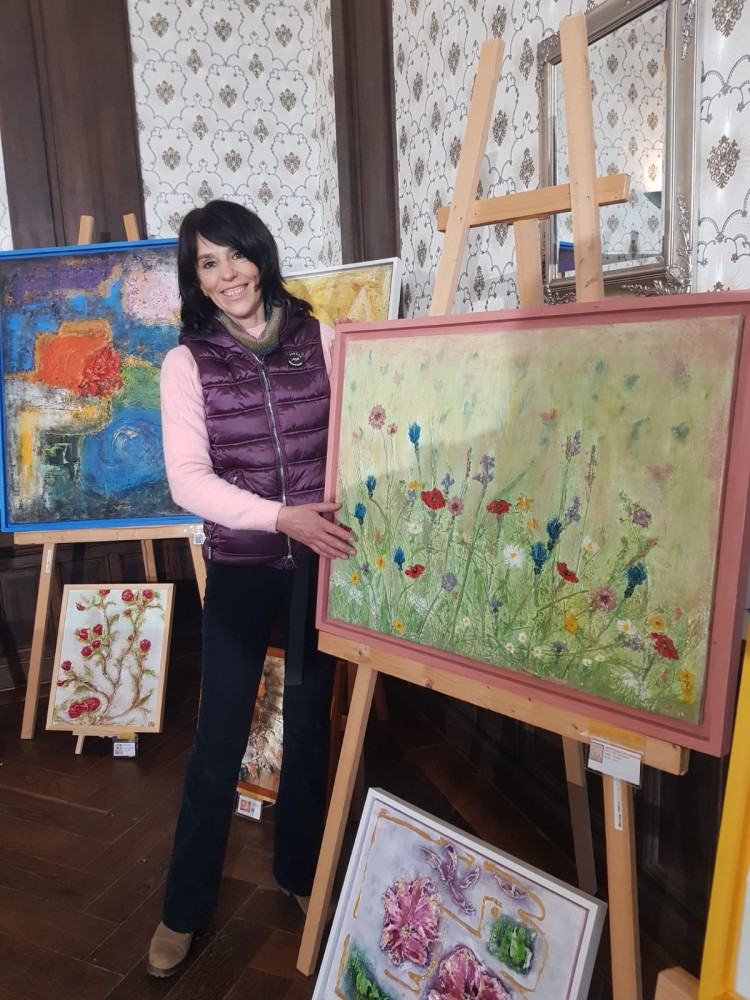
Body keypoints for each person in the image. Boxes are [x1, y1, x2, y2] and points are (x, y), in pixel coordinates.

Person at [147, 199, 356, 978]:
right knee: (218, 741)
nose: (227, 273)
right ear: (196, 278)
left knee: (307, 729)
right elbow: (188, 481)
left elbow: (360, 430)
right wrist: (280, 517)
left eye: (235, 254)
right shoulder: (186, 363)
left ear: (260, 255)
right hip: (240, 568)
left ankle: (299, 873)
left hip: (317, 567)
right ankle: (183, 908)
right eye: (208, 262)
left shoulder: (321, 338)